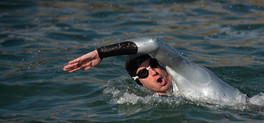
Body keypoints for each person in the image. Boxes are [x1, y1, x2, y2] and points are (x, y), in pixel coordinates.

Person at [63, 37, 245, 103]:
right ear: (139, 83)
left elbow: (154, 43)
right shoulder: (165, 98)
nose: (154, 72)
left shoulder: (186, 72)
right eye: (144, 73)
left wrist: (101, 53)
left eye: (154, 65)